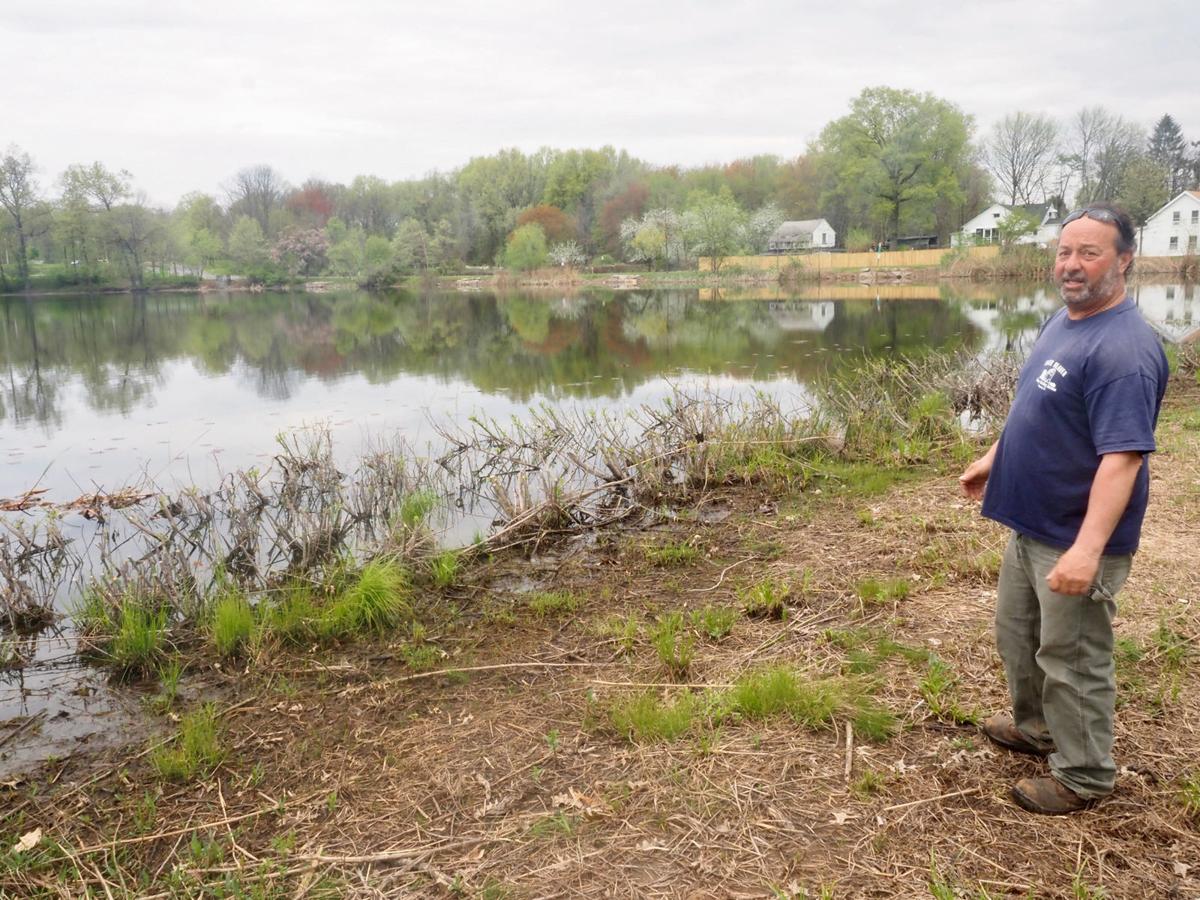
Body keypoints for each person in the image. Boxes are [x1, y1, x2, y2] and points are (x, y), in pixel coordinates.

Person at [958, 202, 1169, 815]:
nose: (1071, 265)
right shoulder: (1065, 322)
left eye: (1090, 253)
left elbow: (1122, 459)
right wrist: (994, 456)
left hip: (1073, 536)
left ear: (1125, 260)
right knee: (1019, 638)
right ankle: (1037, 729)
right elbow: (1036, 403)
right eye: (1064, 251)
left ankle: (1083, 775)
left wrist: (1086, 549)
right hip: (1031, 524)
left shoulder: (1125, 351)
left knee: (1073, 657)